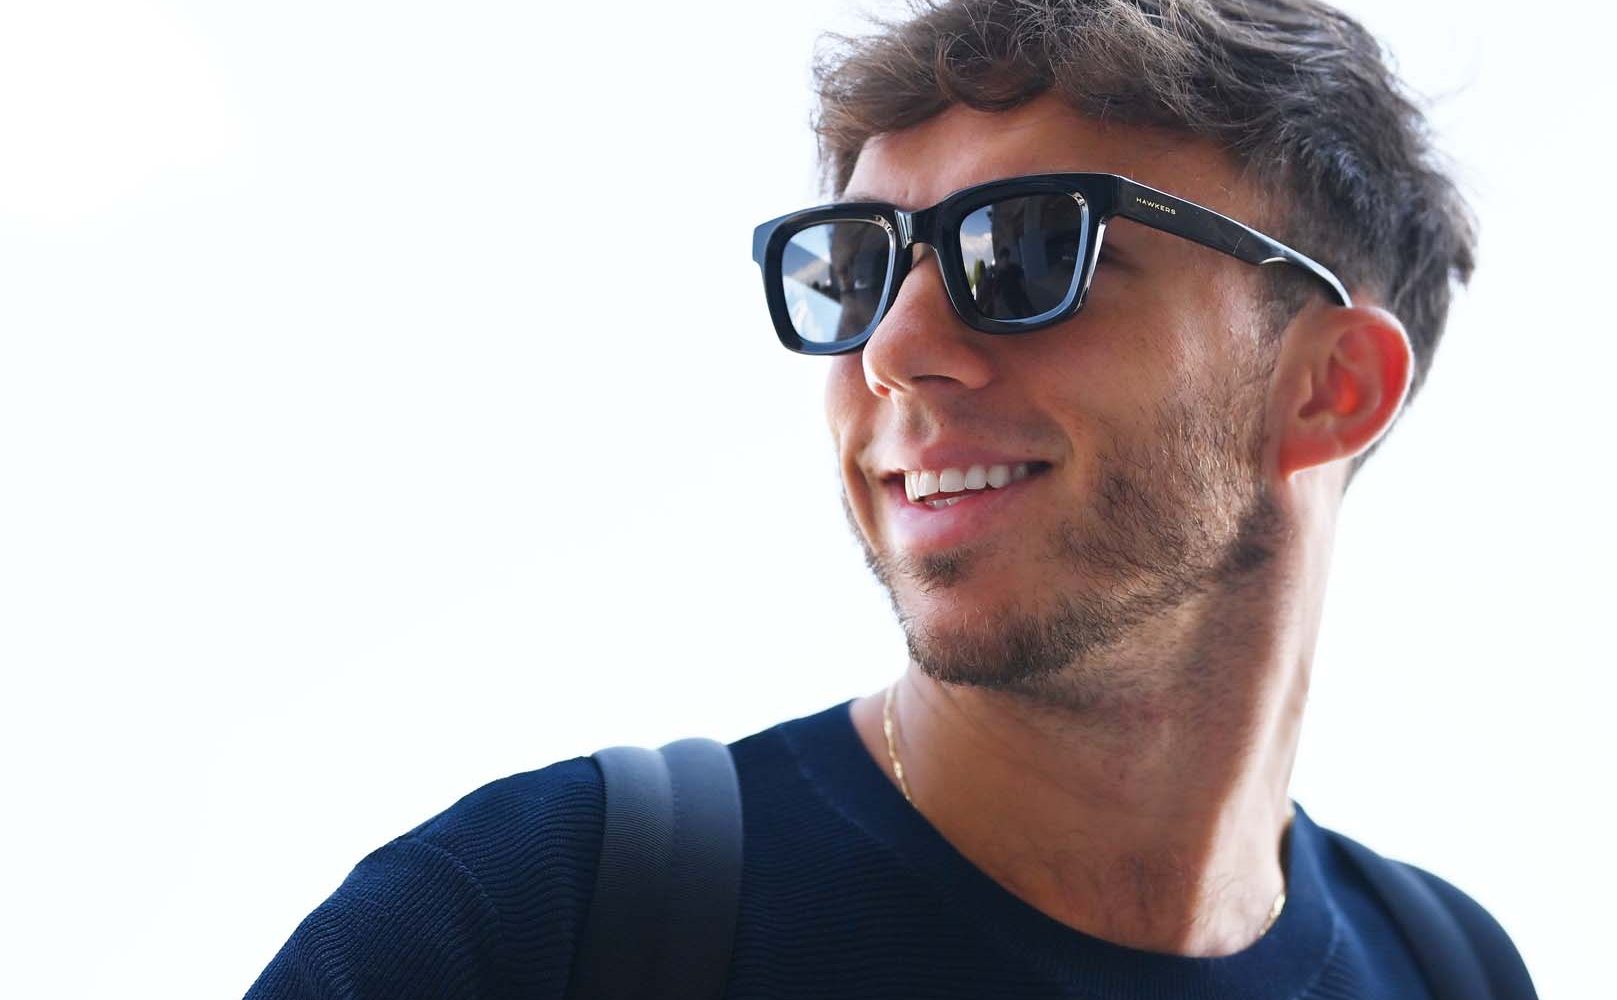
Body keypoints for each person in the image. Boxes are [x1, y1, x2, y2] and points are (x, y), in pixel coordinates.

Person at [249, 1, 1534, 997]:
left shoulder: (1447, 971)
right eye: (859, 268)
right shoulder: (532, 921)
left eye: (1031, 249)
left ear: (1329, 388)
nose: (893, 350)